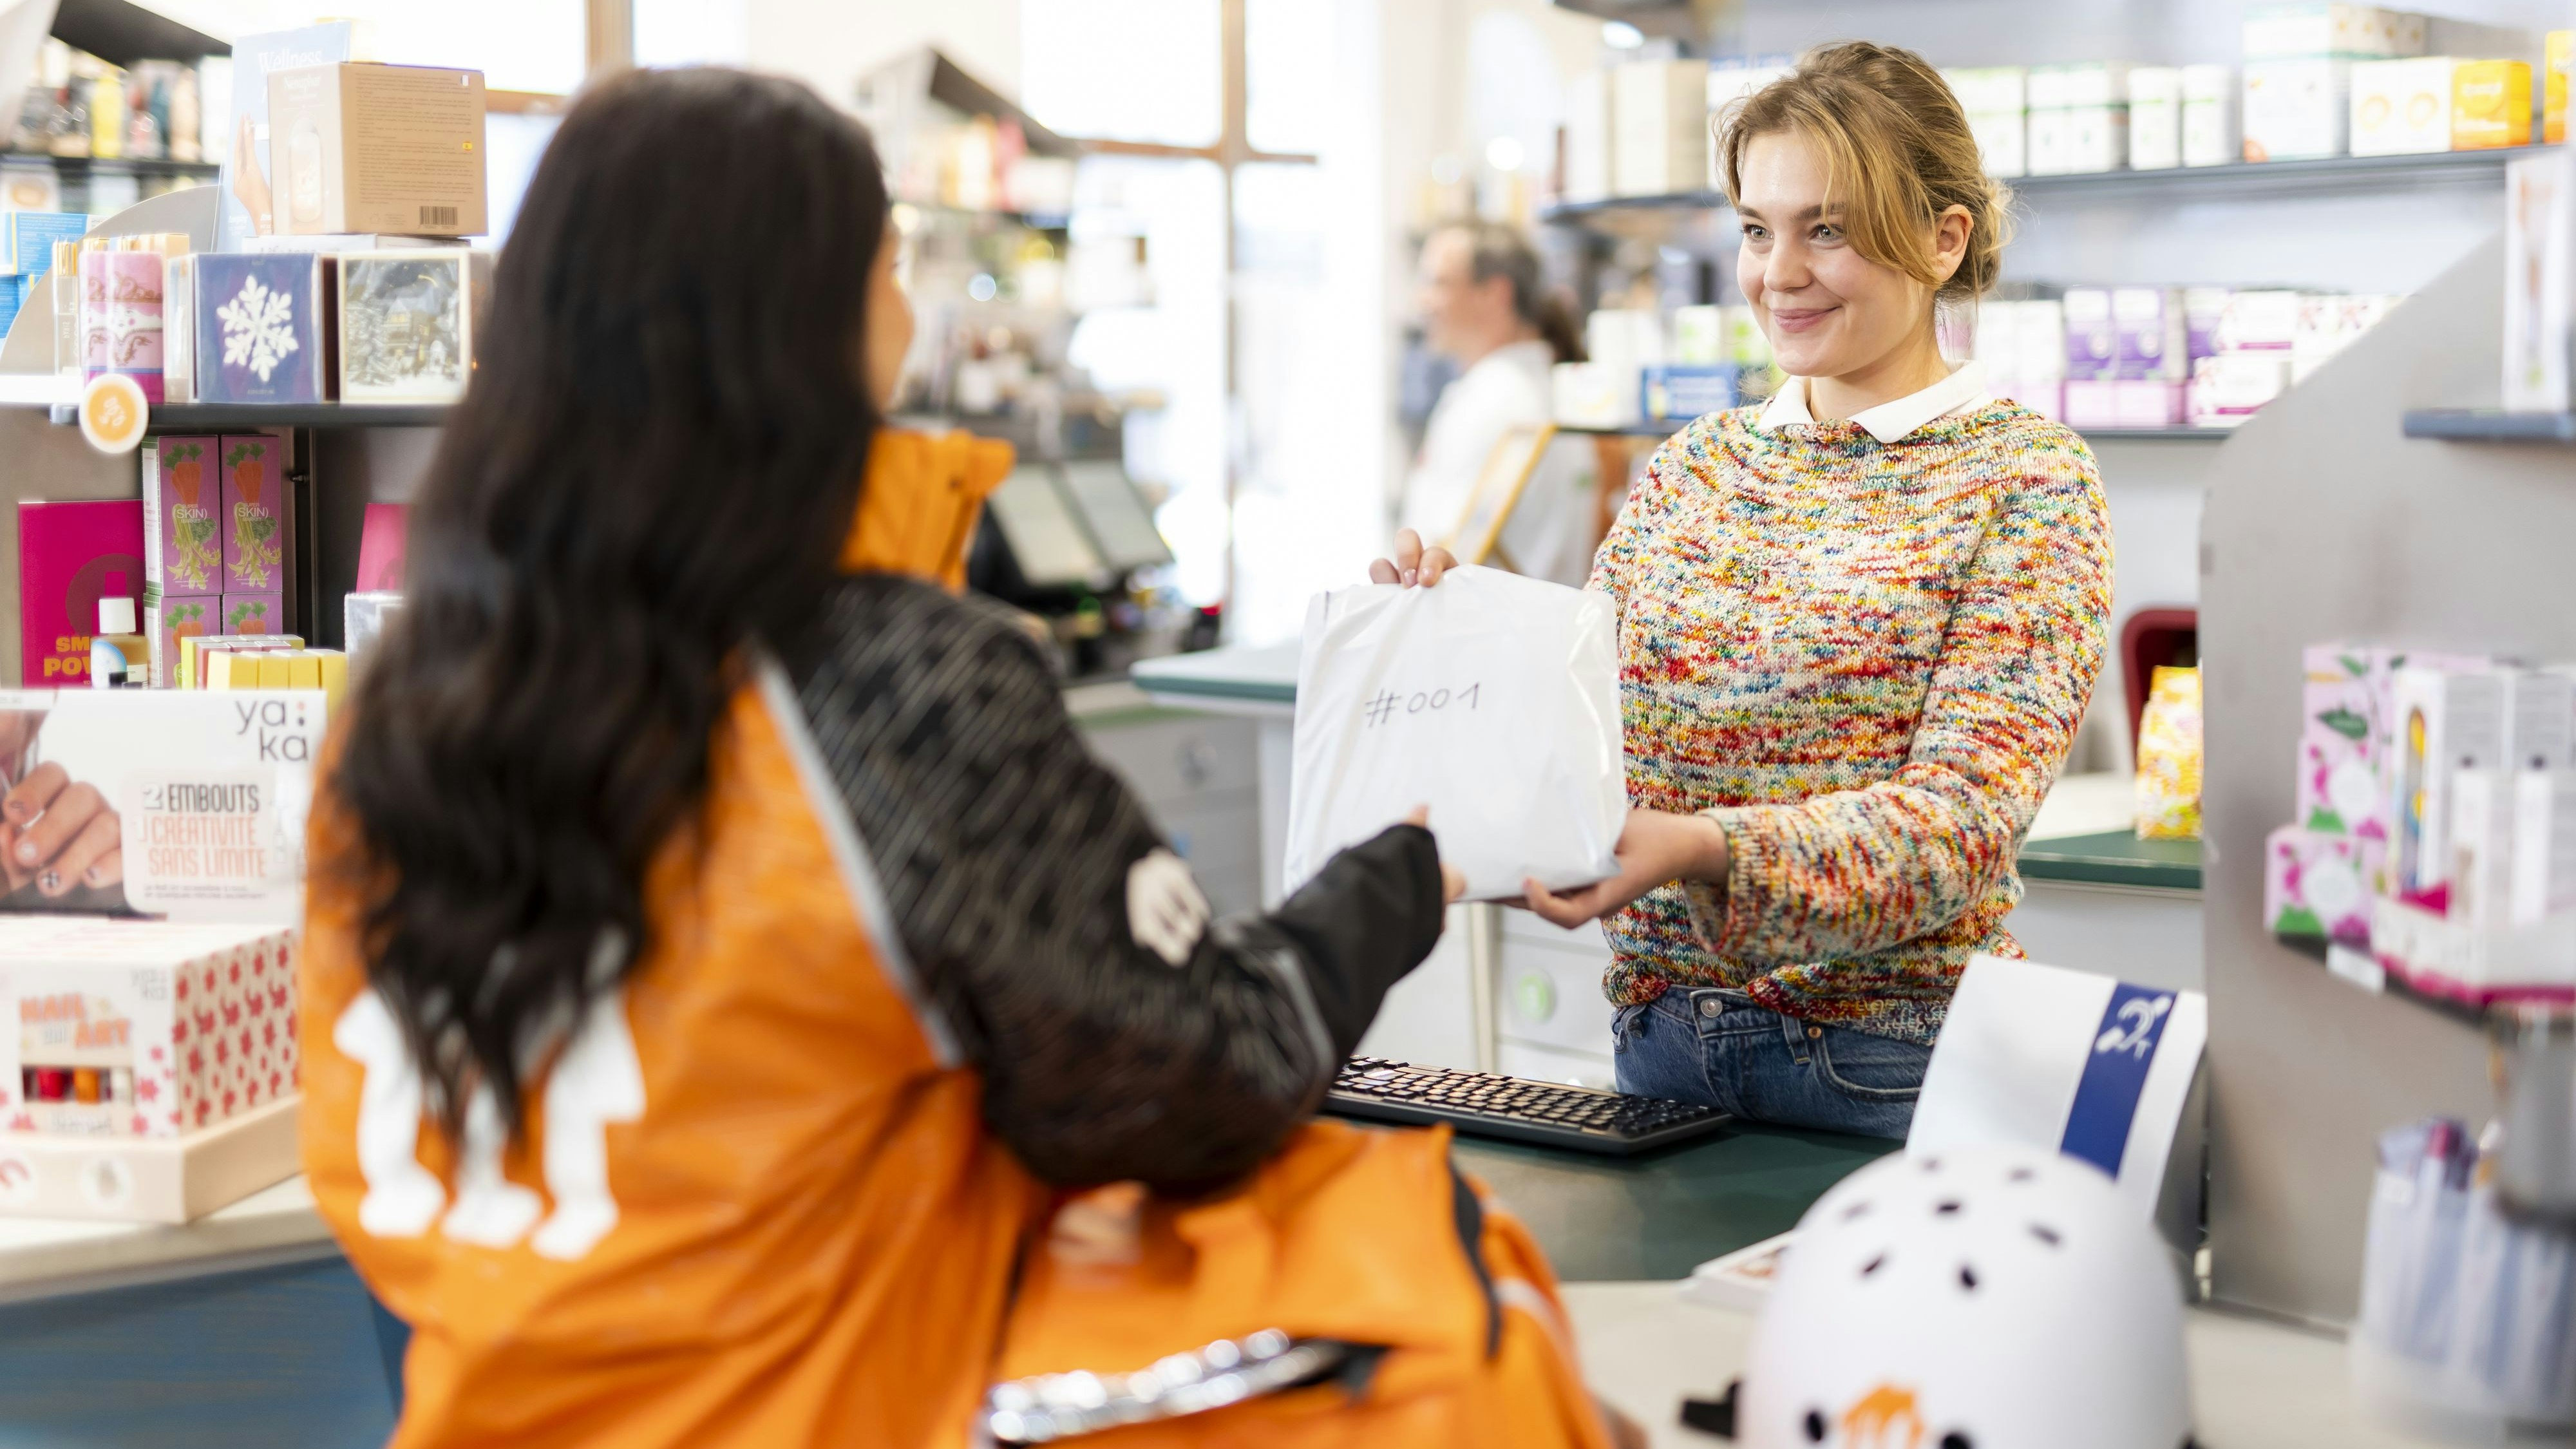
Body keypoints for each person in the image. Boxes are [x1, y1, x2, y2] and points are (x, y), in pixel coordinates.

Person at [297, 68, 1629, 1448]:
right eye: (889, 266)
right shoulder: (888, 680)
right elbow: (1203, 1069)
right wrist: (1398, 874)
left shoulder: (405, 697)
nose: (915, 311)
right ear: (808, 326)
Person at [1375, 41, 2112, 1139]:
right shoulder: (1694, 469)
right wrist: (1453, 636)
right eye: (1758, 230)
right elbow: (1578, 732)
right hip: (1660, 1053)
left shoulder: (2027, 478)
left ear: (1944, 238)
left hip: (1893, 1068)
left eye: (1828, 229)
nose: (1780, 273)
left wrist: (1710, 849)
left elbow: (1959, 827)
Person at [1399, 222, 1595, 586]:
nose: (1422, 301)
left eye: (1438, 283)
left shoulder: (1494, 400)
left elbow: (1435, 553)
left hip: (1482, 616)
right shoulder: (1544, 386)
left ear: (1495, 293)